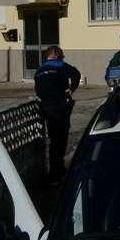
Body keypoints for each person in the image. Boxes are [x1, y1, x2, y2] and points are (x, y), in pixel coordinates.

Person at [34, 46, 80, 182]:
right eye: (60, 55)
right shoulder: (60, 65)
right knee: (60, 139)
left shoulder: (40, 70)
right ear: (55, 55)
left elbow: (38, 89)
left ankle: (55, 170)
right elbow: (76, 74)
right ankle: (56, 172)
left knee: (54, 139)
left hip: (46, 108)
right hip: (59, 106)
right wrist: (71, 89)